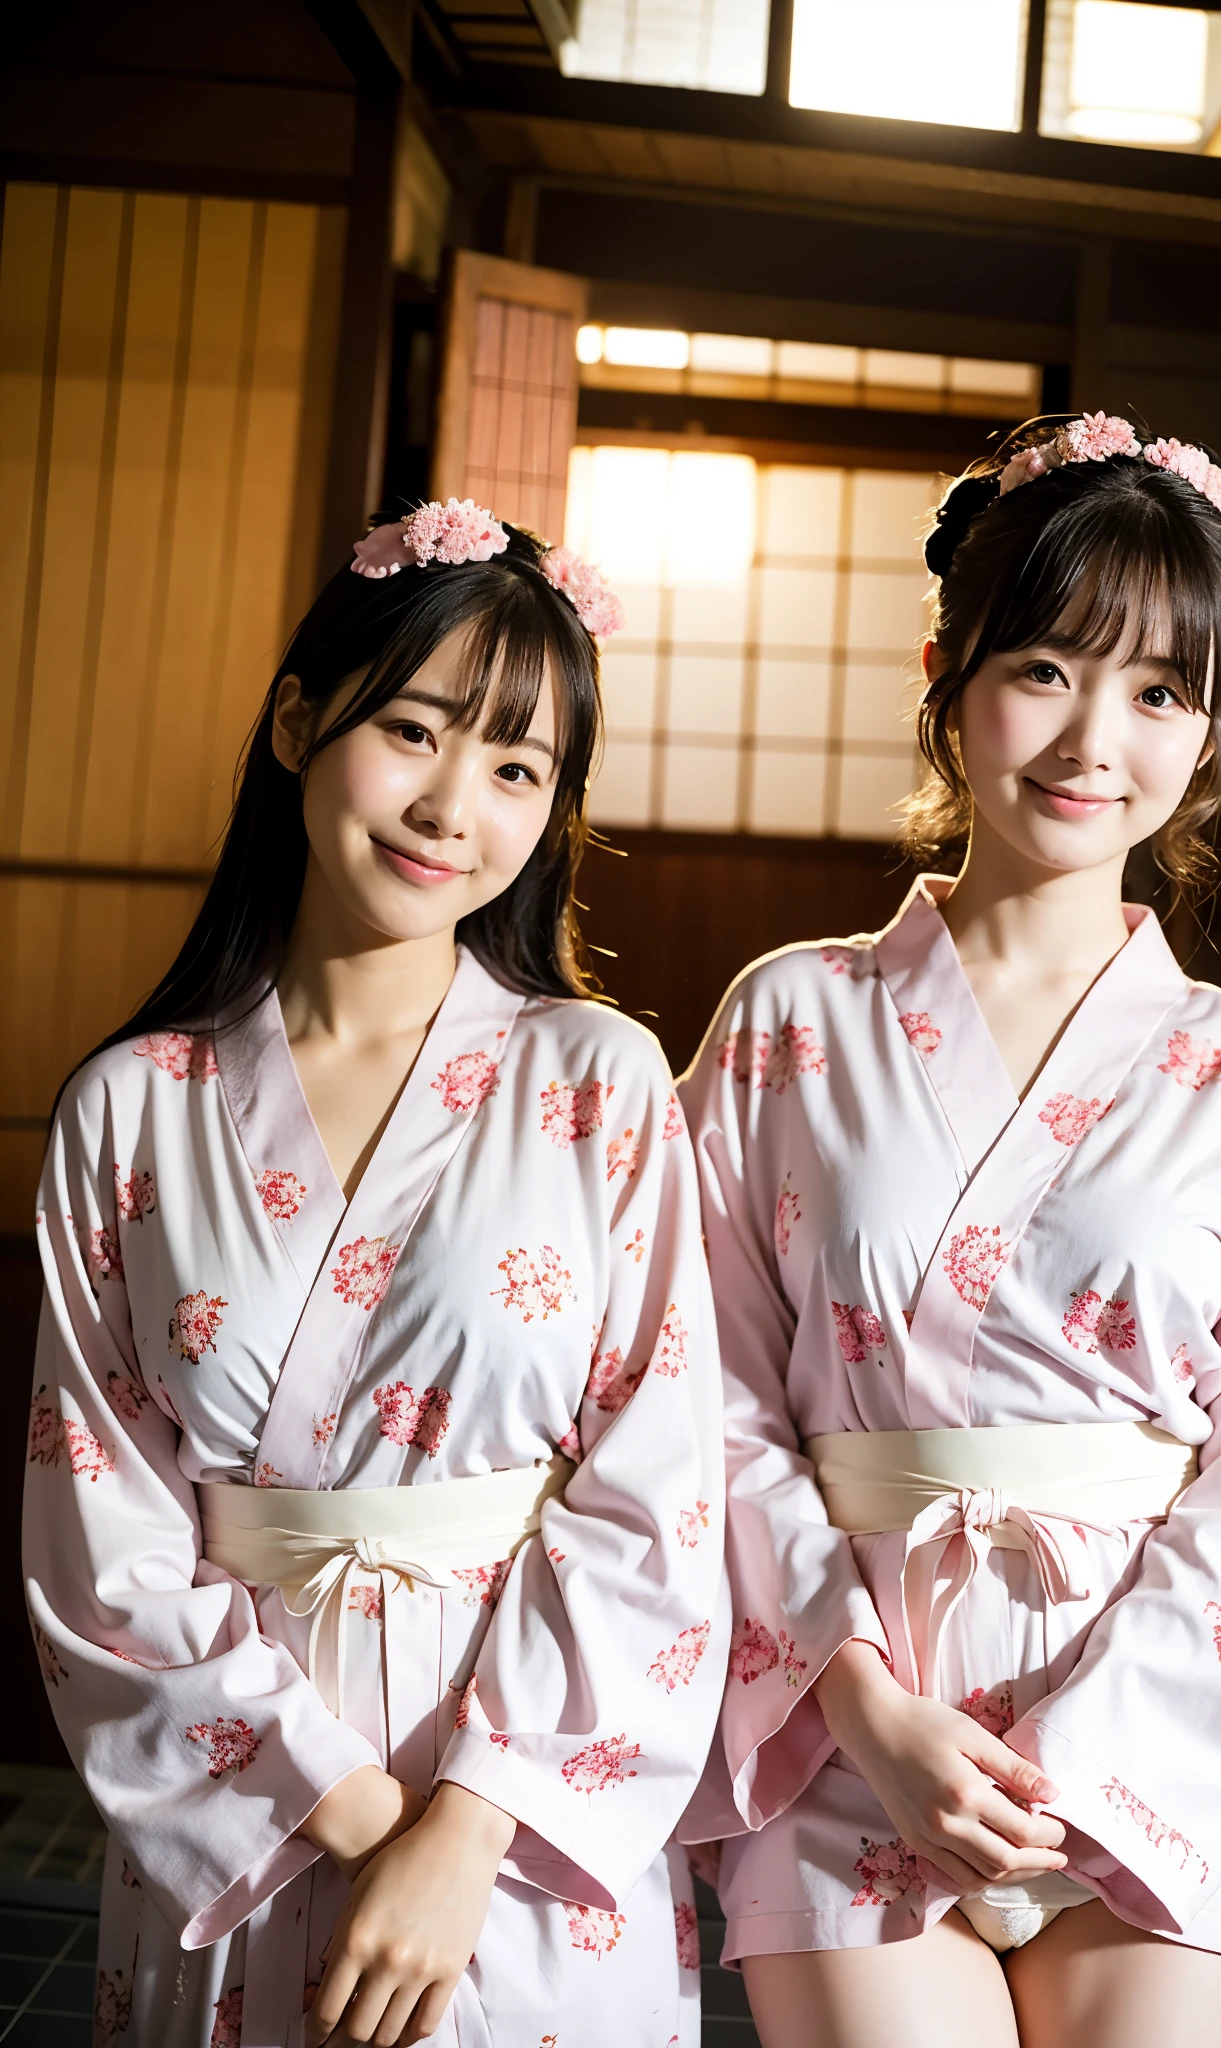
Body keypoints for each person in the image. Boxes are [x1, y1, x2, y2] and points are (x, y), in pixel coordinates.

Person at [677, 415, 1221, 2048]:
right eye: (1045, 668)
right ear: (948, 672)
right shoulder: (789, 1021)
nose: (1091, 739)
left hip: (1169, 1733)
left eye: (1159, 692)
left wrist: (1083, 1752)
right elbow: (698, 1395)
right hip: (851, 1726)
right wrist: (869, 1708)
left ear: (1211, 734)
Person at [24, 499, 725, 2047]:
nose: (450, 807)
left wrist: (463, 1832)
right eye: (412, 730)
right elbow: (101, 1534)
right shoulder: (132, 1108)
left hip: (521, 1832)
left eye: (516, 768)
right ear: (295, 721)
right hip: (251, 1819)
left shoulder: (598, 1080)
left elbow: (657, 1495)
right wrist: (347, 1819)